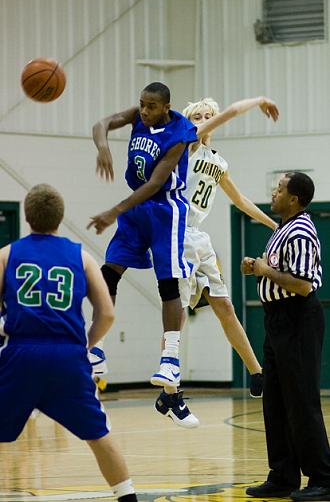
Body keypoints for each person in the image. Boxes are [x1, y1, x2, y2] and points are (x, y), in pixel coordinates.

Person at [0, 184, 137, 502]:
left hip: (21, 352)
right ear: (60, 218)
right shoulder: (82, 257)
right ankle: (127, 496)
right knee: (99, 434)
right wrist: (85, 346)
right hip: (67, 354)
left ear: (27, 216)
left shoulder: (7, 255)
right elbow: (107, 314)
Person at [154, 96, 279, 425]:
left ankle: (257, 372)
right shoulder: (186, 144)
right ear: (189, 120)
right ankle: (171, 389)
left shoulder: (217, 161)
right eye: (201, 114)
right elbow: (220, 118)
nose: (207, 119)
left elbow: (239, 200)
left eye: (210, 114)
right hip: (176, 233)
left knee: (225, 306)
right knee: (177, 313)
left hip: (199, 237)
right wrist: (251, 104)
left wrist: (273, 224)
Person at [88, 82, 199, 428]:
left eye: (152, 107)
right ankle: (96, 347)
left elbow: (155, 183)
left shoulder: (180, 133)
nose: (145, 111)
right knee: (109, 272)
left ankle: (170, 359)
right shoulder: (138, 116)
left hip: (165, 210)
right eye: (142, 105)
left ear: (166, 107)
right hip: (136, 208)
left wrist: (112, 211)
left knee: (168, 285)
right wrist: (103, 146)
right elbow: (100, 124)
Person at [242, 172, 330, 501]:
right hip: (276, 320)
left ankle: (323, 477)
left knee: (302, 402)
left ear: (294, 199)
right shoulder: (282, 229)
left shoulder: (302, 230)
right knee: (275, 401)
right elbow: (279, 272)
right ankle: (283, 474)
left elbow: (303, 284)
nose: (274, 193)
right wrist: (256, 267)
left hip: (298, 319)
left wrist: (264, 270)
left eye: (279, 190)